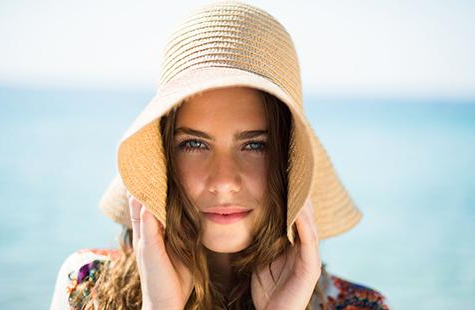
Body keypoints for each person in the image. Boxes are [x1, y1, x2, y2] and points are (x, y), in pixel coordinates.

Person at [50, 1, 390, 309]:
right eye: (195, 144)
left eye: (255, 145)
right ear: (164, 156)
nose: (224, 182)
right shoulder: (86, 288)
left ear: (290, 160)